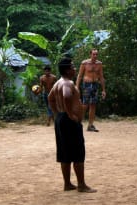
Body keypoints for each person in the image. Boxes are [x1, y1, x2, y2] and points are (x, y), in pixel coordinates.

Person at [48, 57, 97, 193]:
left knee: (65, 153)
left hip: (61, 120)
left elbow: (50, 98)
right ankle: (81, 185)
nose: (75, 69)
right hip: (69, 122)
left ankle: (67, 184)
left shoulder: (57, 83)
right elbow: (67, 95)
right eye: (73, 67)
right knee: (77, 153)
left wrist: (58, 112)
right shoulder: (67, 83)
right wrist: (70, 114)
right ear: (67, 70)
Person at [76, 49, 106, 132]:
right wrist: (77, 87)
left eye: (96, 54)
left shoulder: (99, 64)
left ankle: (90, 125)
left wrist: (103, 90)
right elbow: (79, 76)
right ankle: (78, 123)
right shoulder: (85, 63)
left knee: (93, 105)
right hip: (87, 85)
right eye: (94, 54)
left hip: (95, 85)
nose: (95, 56)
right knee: (85, 105)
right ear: (90, 54)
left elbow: (101, 77)